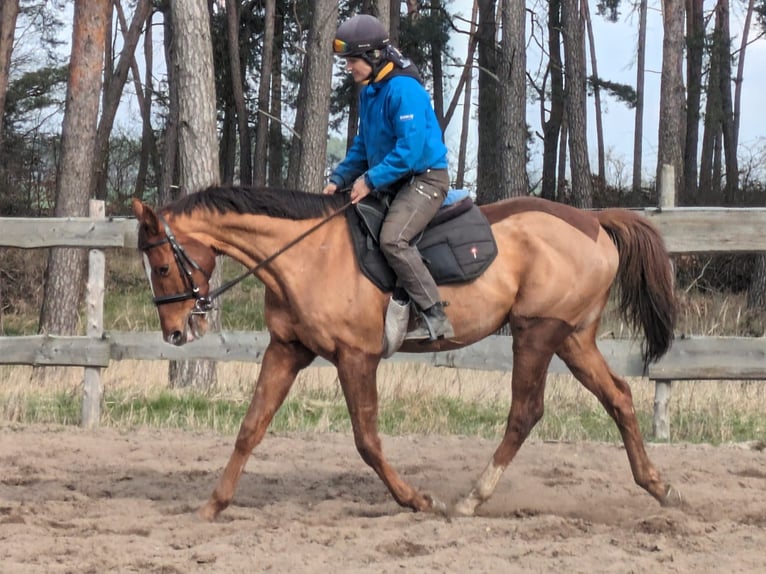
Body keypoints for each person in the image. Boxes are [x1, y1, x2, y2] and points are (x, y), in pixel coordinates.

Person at [322, 14, 454, 341]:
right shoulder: (371, 91)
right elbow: (363, 145)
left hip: (425, 180)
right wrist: (338, 179)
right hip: (393, 180)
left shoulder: (403, 90)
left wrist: (369, 180)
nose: (349, 67)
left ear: (372, 56)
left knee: (392, 239)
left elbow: (410, 150)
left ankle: (435, 316)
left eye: (353, 60)